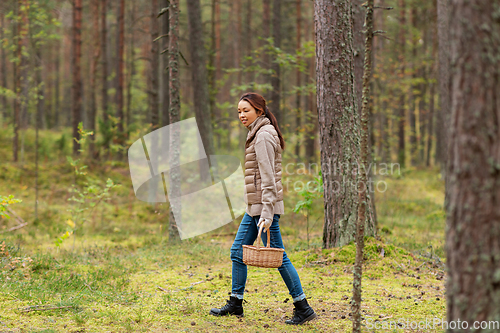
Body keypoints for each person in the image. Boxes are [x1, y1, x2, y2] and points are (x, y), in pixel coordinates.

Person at [209, 92, 317, 325]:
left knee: (279, 258)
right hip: (256, 207)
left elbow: (269, 179)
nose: (241, 115)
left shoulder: (264, 136)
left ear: (259, 111)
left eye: (245, 110)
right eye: (238, 111)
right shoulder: (257, 133)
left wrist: (267, 213)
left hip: (263, 209)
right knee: (238, 252)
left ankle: (303, 307)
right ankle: (236, 303)